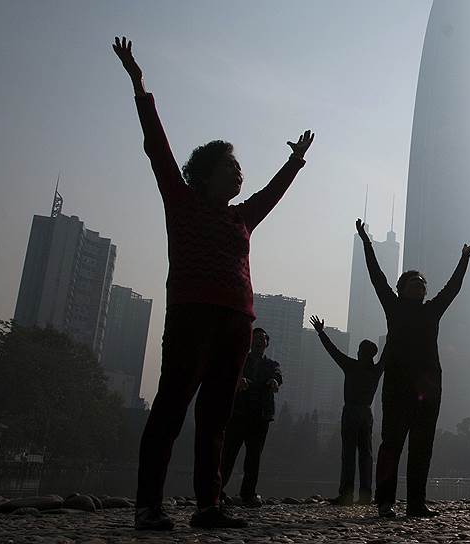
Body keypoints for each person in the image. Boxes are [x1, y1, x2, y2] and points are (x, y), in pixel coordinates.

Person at [114, 37, 314, 530]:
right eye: (229, 163)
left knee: (216, 417)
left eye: (239, 165)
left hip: (237, 324)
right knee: (171, 408)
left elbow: (272, 194)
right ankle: (148, 505)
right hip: (192, 316)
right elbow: (157, 147)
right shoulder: (181, 201)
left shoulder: (241, 218)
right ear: (205, 174)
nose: (238, 170)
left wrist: (295, 160)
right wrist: (139, 85)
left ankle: (209, 505)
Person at [357, 219, 470, 518]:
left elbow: (452, 288)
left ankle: (416, 503)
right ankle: (385, 501)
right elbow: (376, 276)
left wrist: (464, 258)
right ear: (401, 289)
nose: (420, 285)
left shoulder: (432, 310)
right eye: (414, 282)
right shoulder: (393, 305)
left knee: (422, 446)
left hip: (429, 387)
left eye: (423, 283)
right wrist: (367, 242)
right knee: (391, 444)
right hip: (397, 386)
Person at [310, 315, 384, 506]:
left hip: (351, 411)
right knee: (366, 455)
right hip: (367, 414)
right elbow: (388, 351)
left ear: (360, 352)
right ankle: (365, 495)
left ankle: (346, 495)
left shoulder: (351, 365)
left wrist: (321, 333)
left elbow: (333, 351)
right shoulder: (376, 370)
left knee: (349, 454)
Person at [219, 328, 282, 508]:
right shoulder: (241, 361)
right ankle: (217, 491)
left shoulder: (271, 364)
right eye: (256, 338)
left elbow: (277, 375)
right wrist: (239, 380)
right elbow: (229, 375)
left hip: (260, 417)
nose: (259, 342)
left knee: (253, 458)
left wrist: (274, 381)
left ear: (267, 344)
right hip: (239, 414)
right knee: (228, 455)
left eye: (262, 339)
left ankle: (248, 494)